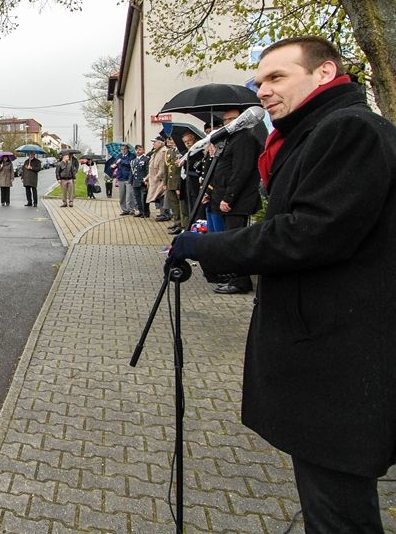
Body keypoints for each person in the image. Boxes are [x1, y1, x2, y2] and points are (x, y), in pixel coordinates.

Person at [170, 36, 396, 533]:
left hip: (338, 350)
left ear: (323, 73)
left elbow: (309, 233)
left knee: (338, 511)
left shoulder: (349, 130)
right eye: (258, 82)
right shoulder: (311, 133)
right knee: (326, 499)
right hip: (322, 342)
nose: (262, 91)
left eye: (276, 78)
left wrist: (208, 248)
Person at [203, 107, 262, 294]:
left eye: (232, 119)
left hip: (237, 201)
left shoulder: (245, 139)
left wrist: (229, 197)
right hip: (226, 198)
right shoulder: (231, 139)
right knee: (230, 240)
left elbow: (241, 172)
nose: (228, 122)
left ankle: (241, 281)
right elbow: (223, 169)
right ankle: (233, 275)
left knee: (236, 241)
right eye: (226, 119)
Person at [163, 137, 184, 235]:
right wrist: (165, 183)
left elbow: (180, 170)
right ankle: (176, 222)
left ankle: (181, 225)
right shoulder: (169, 152)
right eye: (169, 140)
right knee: (173, 205)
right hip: (170, 182)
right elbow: (166, 169)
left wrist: (179, 186)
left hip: (177, 182)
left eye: (172, 139)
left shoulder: (181, 151)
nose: (170, 142)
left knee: (180, 205)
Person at [112, 146, 135, 214]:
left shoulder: (132, 155)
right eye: (122, 149)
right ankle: (124, 210)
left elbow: (130, 163)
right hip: (120, 177)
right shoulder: (119, 155)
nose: (123, 150)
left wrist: (121, 161)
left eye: (125, 149)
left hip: (128, 177)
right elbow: (115, 163)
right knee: (122, 195)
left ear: (127, 149)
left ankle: (131, 209)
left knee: (129, 195)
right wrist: (113, 165)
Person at [129, 144, 150, 217]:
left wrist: (147, 179)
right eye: (136, 150)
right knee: (137, 197)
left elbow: (147, 170)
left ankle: (146, 212)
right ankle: (140, 211)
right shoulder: (133, 161)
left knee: (143, 198)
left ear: (143, 150)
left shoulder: (146, 159)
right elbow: (132, 171)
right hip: (135, 181)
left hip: (143, 181)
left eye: (140, 149)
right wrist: (130, 180)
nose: (138, 151)